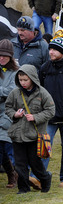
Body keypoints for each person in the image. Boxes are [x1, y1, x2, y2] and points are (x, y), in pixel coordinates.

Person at [5, 64, 55, 194]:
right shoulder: (15, 93)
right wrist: (14, 114)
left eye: (25, 80)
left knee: (35, 163)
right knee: (19, 164)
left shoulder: (42, 93)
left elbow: (51, 111)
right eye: (20, 80)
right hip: (18, 134)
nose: (23, 83)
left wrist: (35, 117)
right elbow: (8, 107)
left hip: (34, 135)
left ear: (32, 78)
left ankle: (45, 179)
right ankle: (23, 188)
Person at [38, 38, 63, 188]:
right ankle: (39, 177)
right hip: (49, 115)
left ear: (62, 51)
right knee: (44, 148)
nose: (51, 52)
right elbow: (39, 90)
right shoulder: (44, 68)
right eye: (50, 49)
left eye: (54, 49)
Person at [0, 39, 19, 189]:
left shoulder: (16, 72)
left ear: (10, 57)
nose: (1, 58)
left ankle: (15, 174)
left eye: (5, 56)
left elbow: (13, 91)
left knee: (2, 146)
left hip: (7, 114)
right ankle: (12, 174)